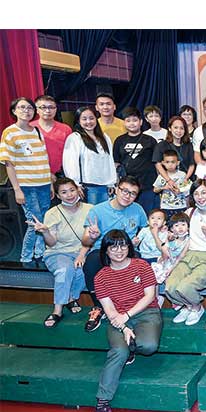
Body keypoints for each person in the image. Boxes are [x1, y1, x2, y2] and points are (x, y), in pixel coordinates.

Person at [93, 229, 162, 412]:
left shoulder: (141, 266)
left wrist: (128, 316)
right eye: (113, 247)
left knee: (148, 345)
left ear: (129, 246)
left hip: (146, 313)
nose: (119, 250)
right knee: (119, 351)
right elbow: (109, 310)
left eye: (123, 245)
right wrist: (123, 326)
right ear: (106, 250)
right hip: (117, 319)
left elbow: (149, 296)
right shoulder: (101, 277)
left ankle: (133, 348)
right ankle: (102, 404)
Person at [81, 176, 148, 332]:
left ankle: (131, 307)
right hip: (103, 250)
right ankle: (99, 306)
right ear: (116, 189)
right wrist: (92, 236)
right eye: (124, 191)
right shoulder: (97, 210)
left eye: (133, 193)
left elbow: (146, 230)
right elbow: (85, 241)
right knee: (91, 261)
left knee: (139, 261)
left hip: (128, 251)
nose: (128, 196)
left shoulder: (137, 209)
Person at [165, 179, 206, 325]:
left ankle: (197, 307)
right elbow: (186, 240)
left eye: (204, 192)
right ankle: (188, 306)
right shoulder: (190, 212)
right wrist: (175, 263)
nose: (200, 197)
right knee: (170, 287)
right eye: (196, 193)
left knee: (185, 287)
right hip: (190, 255)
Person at [32, 178, 92, 327]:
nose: (69, 195)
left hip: (82, 251)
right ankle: (57, 310)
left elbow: (91, 237)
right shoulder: (52, 213)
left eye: (72, 190)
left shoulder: (90, 209)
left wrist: (81, 255)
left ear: (78, 190)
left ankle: (71, 298)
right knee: (65, 270)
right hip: (58, 252)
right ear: (58, 196)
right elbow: (51, 243)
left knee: (85, 270)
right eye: (64, 192)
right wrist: (45, 232)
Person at [0, 97, 53, 264]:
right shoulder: (10, 132)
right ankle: (26, 257)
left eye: (30, 108)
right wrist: (17, 189)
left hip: (44, 183)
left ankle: (40, 253)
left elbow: (44, 158)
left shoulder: (37, 130)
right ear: (14, 111)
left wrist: (50, 183)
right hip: (26, 186)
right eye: (22, 107)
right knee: (34, 222)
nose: (26, 111)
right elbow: (9, 163)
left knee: (43, 220)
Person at [62, 106, 117, 205]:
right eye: (84, 119)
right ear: (78, 121)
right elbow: (70, 163)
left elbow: (110, 161)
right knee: (91, 213)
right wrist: (75, 184)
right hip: (87, 187)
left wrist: (111, 182)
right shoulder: (75, 138)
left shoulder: (104, 138)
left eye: (91, 118)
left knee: (104, 213)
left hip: (105, 186)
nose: (88, 122)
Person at [112, 107, 159, 213]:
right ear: (124, 123)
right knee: (127, 214)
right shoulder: (119, 140)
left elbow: (157, 164)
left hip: (147, 186)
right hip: (127, 187)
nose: (132, 123)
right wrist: (116, 184)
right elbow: (116, 164)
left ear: (141, 122)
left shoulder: (150, 140)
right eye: (128, 121)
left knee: (148, 214)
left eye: (135, 120)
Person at [30, 95, 72, 178]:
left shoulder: (66, 129)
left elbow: (70, 154)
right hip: (35, 174)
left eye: (51, 107)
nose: (47, 110)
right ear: (37, 110)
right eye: (43, 107)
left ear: (56, 109)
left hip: (61, 174)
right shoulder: (29, 128)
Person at [153, 116, 195, 185]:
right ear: (170, 128)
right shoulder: (161, 145)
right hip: (167, 183)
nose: (179, 131)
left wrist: (185, 179)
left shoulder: (189, 145)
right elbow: (158, 164)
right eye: (176, 127)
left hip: (185, 182)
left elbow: (192, 165)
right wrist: (169, 180)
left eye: (182, 128)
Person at [151, 211, 190, 285]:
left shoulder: (189, 240)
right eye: (176, 225)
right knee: (155, 275)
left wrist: (171, 269)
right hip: (167, 260)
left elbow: (181, 256)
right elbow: (165, 251)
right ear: (172, 228)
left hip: (179, 262)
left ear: (188, 226)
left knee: (171, 278)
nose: (180, 227)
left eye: (183, 224)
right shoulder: (170, 237)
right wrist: (170, 241)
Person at [153, 150, 191, 219]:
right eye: (167, 162)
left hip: (181, 206)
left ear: (178, 163)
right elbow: (155, 190)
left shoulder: (182, 175)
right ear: (163, 163)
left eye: (173, 162)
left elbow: (188, 189)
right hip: (166, 207)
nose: (170, 165)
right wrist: (164, 187)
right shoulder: (162, 176)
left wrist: (180, 190)